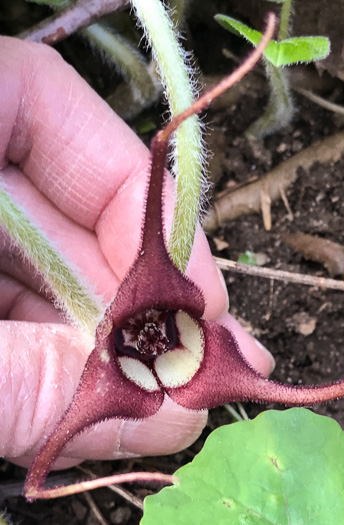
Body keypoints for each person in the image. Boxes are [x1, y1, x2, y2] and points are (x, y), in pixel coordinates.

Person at [0, 37, 275, 470]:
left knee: (153, 227)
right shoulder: (144, 355)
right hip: (138, 363)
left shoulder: (157, 348)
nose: (150, 336)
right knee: (151, 225)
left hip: (142, 359)